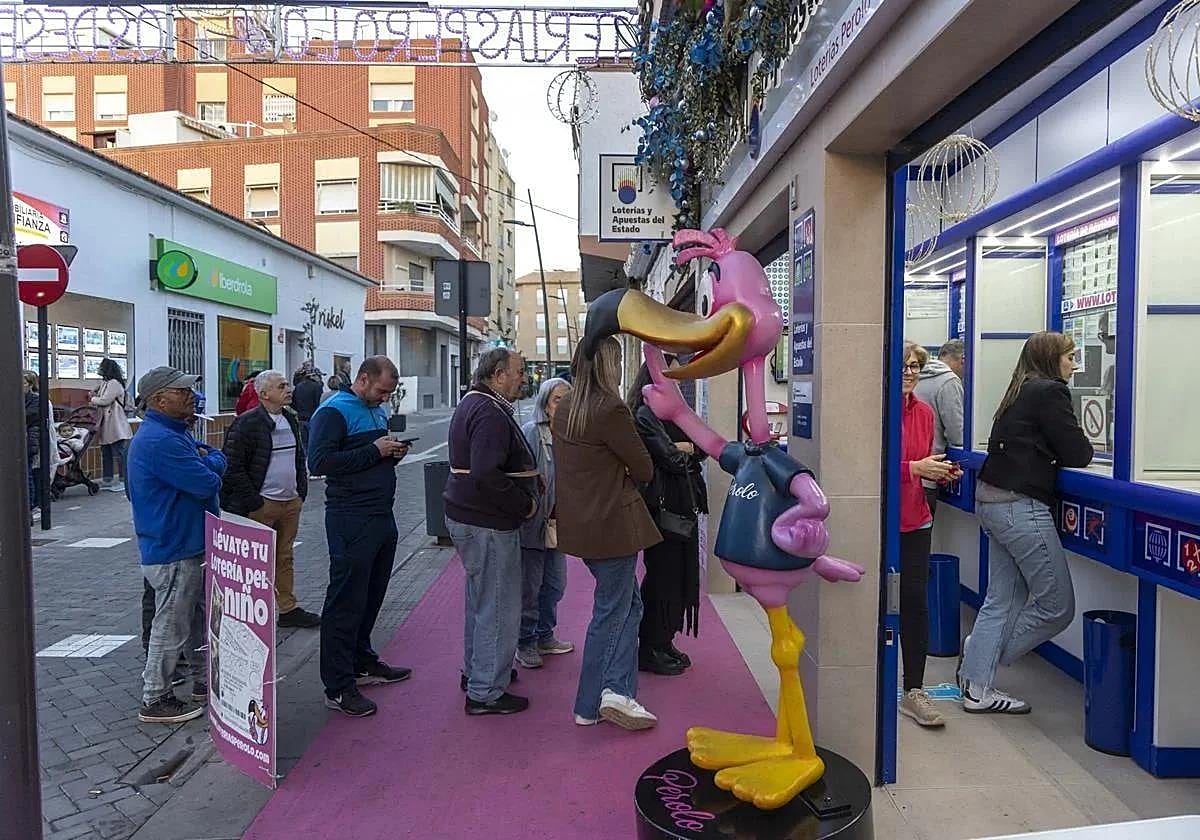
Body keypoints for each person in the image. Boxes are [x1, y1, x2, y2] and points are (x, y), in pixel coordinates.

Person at [960, 331, 1093, 714]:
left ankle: (977, 685)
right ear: (1053, 359)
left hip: (993, 500)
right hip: (1021, 507)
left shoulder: (1020, 388)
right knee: (1057, 606)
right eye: (1070, 356)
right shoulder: (1051, 392)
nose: (1074, 363)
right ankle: (977, 658)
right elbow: (1078, 453)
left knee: (1002, 599)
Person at [553, 338, 660, 730]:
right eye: (616, 359)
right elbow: (644, 467)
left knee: (628, 606)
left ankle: (615, 690)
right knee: (613, 612)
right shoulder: (610, 409)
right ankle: (603, 696)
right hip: (615, 526)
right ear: (607, 364)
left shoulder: (566, 408)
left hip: (583, 528)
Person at [307, 356, 413, 718]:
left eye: (390, 393)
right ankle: (338, 685)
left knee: (371, 594)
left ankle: (362, 660)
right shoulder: (333, 411)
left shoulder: (376, 410)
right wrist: (374, 451)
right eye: (382, 391)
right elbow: (319, 463)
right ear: (363, 379)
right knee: (346, 599)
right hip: (350, 517)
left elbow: (367, 458)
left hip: (380, 513)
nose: (385, 398)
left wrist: (391, 454)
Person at [128, 366, 225, 724]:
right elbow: (205, 482)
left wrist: (208, 459)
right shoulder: (161, 440)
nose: (191, 397)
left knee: (196, 620)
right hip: (174, 547)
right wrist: (213, 459)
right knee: (172, 624)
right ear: (159, 399)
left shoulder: (173, 433)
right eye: (182, 391)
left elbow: (205, 467)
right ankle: (155, 697)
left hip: (183, 543)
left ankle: (204, 683)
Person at [444, 348, 539, 715]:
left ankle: (479, 672)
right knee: (499, 605)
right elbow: (487, 473)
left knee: (482, 600)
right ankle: (486, 691)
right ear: (498, 375)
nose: (523, 378)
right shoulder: (489, 412)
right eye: (519, 371)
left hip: (472, 517)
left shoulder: (477, 402)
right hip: (487, 521)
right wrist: (524, 503)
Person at [221, 370, 321, 629]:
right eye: (281, 386)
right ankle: (253, 612)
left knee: (285, 557)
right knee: (255, 562)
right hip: (262, 505)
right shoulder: (247, 423)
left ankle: (287, 608)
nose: (288, 389)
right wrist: (254, 501)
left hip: (290, 502)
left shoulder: (290, 418)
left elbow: (299, 457)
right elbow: (232, 466)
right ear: (264, 394)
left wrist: (300, 491)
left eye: (287, 385)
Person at [626, 360, 707, 676]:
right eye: (669, 375)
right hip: (662, 509)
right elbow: (672, 458)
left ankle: (665, 639)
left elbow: (699, 447)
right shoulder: (645, 415)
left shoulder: (674, 413)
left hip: (683, 505)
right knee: (663, 578)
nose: (675, 382)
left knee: (681, 577)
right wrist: (684, 448)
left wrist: (685, 447)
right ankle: (651, 645)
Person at [899, 342, 959, 727]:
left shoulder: (923, 412)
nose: (910, 371)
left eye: (915, 366)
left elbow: (923, 461)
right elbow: (869, 465)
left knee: (915, 601)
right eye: (904, 366)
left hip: (917, 516)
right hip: (882, 520)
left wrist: (939, 470)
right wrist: (915, 468)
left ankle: (914, 689)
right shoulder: (878, 411)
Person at [515, 377, 575, 670]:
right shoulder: (531, 433)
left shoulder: (570, 435)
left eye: (567, 400)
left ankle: (544, 635)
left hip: (558, 523)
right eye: (557, 400)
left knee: (555, 584)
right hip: (533, 523)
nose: (562, 406)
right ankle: (525, 642)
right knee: (530, 586)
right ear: (544, 403)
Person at [913, 338, 965, 517]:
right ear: (963, 360)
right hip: (929, 475)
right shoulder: (949, 381)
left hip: (909, 475)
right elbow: (957, 433)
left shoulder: (917, 376)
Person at [90, 358, 134, 495]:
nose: (99, 369)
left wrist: (92, 399)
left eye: (101, 367)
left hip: (115, 422)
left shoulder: (114, 383)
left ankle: (123, 480)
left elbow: (105, 400)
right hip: (108, 422)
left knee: (119, 453)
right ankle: (107, 479)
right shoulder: (106, 382)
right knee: (106, 452)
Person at [292, 362, 324, 453]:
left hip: (301, 418)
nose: (321, 379)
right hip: (313, 418)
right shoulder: (317, 387)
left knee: (304, 445)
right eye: (319, 376)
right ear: (314, 376)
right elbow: (319, 403)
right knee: (313, 445)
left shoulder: (298, 386)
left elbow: (293, 403)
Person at [23, 371, 40, 520]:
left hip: (29, 440)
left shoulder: (35, 400)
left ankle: (31, 505)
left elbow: (30, 416)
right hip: (25, 439)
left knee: (27, 472)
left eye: (24, 383)